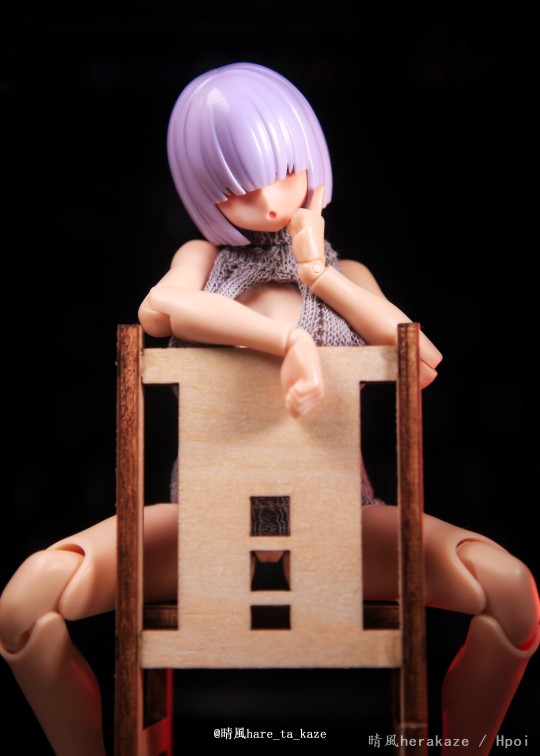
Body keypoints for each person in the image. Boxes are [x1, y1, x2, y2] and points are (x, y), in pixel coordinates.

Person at [0, 62, 538, 756]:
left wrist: (320, 277)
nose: (268, 199)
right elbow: (159, 308)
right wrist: (287, 341)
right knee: (26, 600)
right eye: (236, 187)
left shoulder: (350, 277)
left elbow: (422, 361)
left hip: (339, 528)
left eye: (282, 171)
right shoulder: (202, 259)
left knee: (510, 591)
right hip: (206, 527)